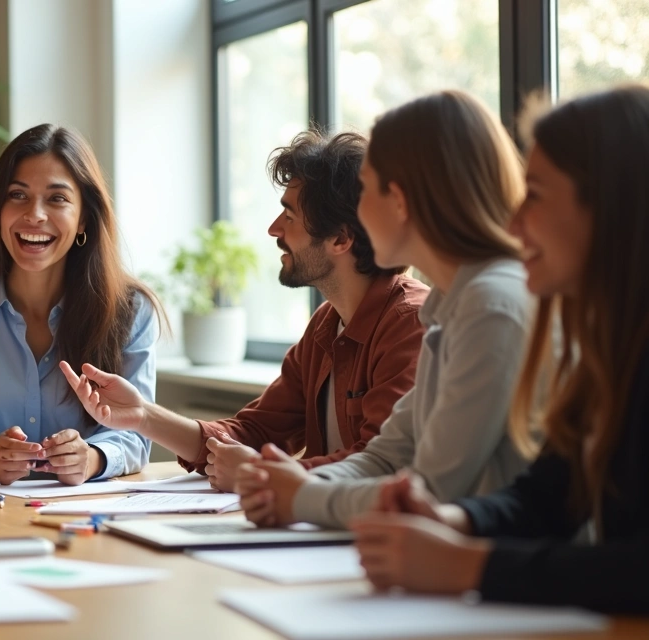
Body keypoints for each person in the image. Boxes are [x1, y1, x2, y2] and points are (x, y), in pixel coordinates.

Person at [350, 85, 649, 614]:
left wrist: (469, 565)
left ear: (608, 204)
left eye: (534, 194)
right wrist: (451, 521)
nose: (514, 224)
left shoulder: (498, 304)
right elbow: (547, 498)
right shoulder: (608, 354)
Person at [229, 90, 534, 529]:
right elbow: (387, 456)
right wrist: (291, 485)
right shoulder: (452, 307)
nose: (356, 212)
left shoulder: (491, 306)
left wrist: (302, 497)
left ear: (402, 200)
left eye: (367, 188)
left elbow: (430, 488)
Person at [59, 130, 429, 491]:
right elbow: (253, 434)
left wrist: (261, 474)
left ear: (341, 239)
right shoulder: (326, 326)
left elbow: (383, 466)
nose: (273, 229)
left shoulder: (411, 325)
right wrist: (142, 415)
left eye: (289, 216)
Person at [0, 124, 162, 486]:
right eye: (17, 195)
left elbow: (134, 434)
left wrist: (91, 459)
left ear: (84, 218)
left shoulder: (131, 310)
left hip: (87, 517)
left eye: (57, 198)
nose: (34, 215)